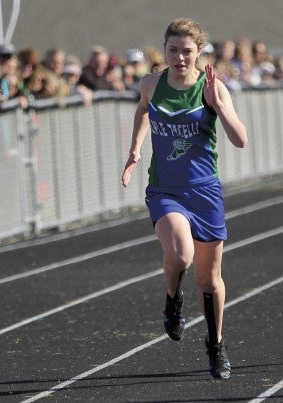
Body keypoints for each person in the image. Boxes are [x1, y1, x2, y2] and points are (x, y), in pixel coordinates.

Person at [121, 18, 248, 379]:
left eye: (186, 51)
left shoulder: (212, 88)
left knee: (209, 281)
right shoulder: (151, 83)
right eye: (173, 50)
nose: (179, 58)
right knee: (180, 253)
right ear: (165, 50)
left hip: (204, 191)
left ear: (198, 53)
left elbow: (240, 139)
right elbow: (144, 109)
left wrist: (218, 106)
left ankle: (216, 345)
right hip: (165, 189)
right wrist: (134, 150)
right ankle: (173, 300)